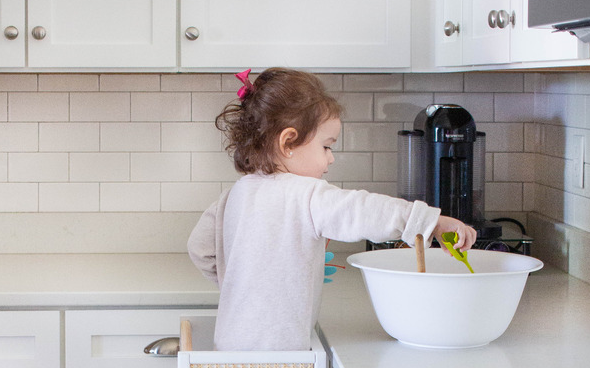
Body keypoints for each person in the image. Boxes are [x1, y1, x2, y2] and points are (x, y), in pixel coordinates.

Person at [187, 67, 477, 351]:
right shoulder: (307, 194)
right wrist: (432, 222)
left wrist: (242, 280)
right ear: (288, 142)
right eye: (326, 146)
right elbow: (364, 210)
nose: (331, 158)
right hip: (281, 353)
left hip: (228, 350)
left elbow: (199, 248)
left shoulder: (233, 195)